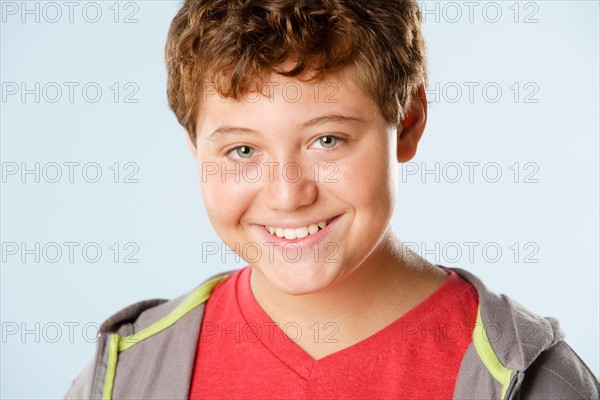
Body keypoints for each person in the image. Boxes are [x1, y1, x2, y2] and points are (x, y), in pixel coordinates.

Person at [65, 0, 599, 398]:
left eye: (328, 140)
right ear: (195, 149)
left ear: (407, 123)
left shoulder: (532, 380)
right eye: (243, 149)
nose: (287, 194)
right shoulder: (127, 373)